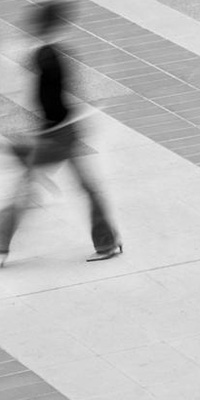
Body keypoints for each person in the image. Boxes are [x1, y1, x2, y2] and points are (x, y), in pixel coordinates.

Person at [0, 1, 120, 265]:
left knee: (24, 191)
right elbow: (70, 94)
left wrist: (29, 131)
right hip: (65, 131)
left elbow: (42, 98)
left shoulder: (45, 55)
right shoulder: (55, 53)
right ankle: (107, 242)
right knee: (87, 188)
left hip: (53, 135)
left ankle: (0, 246)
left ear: (43, 24)